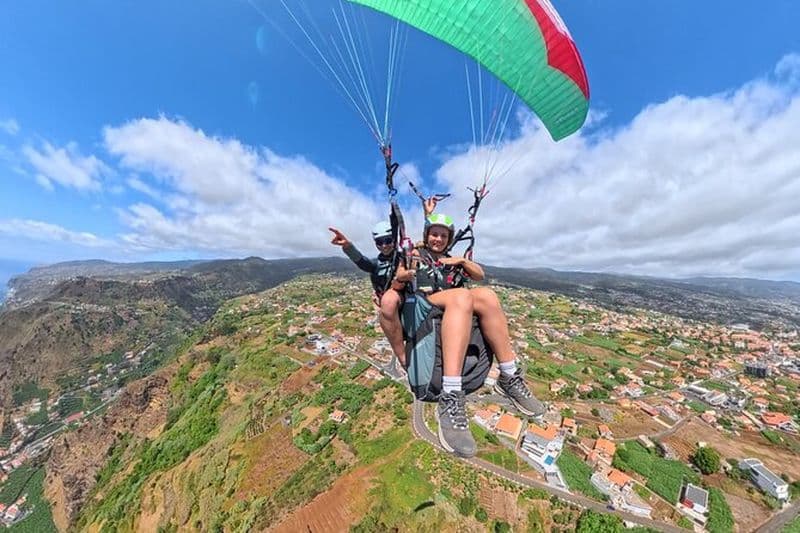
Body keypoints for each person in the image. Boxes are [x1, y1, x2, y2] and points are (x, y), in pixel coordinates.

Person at [397, 213, 544, 457]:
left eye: (444, 236)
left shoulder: (451, 259)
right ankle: (451, 393)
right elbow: (406, 260)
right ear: (426, 236)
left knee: (487, 296)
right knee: (462, 295)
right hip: (424, 302)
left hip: (452, 303)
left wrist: (460, 262)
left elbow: (479, 274)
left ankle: (509, 375)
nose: (438, 239)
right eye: (434, 234)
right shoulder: (416, 255)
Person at [329, 222, 407, 366]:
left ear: (394, 240)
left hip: (405, 304)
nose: (384, 245)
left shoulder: (405, 258)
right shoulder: (375, 264)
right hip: (390, 310)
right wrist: (347, 246)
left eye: (388, 240)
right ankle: (403, 358)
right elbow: (361, 261)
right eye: (379, 242)